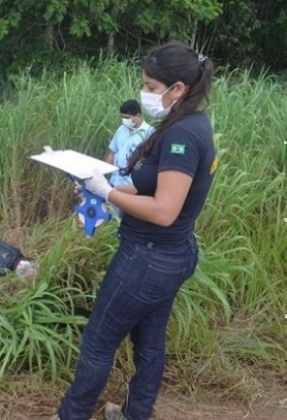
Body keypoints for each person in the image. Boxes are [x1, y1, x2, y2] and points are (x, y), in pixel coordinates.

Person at [54, 41, 217, 420]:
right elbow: (151, 188)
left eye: (150, 86)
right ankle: (135, 413)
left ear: (177, 88)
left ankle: (71, 415)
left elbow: (163, 210)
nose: (144, 93)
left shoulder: (181, 136)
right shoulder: (192, 122)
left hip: (148, 257)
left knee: (97, 341)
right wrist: (102, 189)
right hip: (172, 254)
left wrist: (107, 191)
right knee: (149, 341)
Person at [104, 99, 153, 189]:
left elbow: (150, 163)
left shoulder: (149, 133)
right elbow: (112, 153)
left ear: (138, 115)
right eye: (123, 117)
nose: (124, 120)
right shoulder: (121, 130)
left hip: (132, 186)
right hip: (114, 181)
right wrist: (103, 174)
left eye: (127, 118)